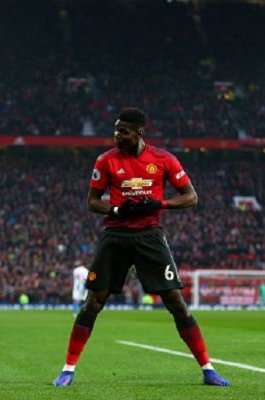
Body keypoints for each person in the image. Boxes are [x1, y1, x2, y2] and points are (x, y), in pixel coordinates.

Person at [52, 107, 229, 387]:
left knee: (176, 303)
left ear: (139, 133)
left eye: (123, 131)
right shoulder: (105, 161)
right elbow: (92, 202)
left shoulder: (163, 159)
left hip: (149, 236)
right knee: (93, 302)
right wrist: (119, 210)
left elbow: (191, 197)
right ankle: (67, 369)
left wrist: (159, 204)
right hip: (115, 236)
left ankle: (208, 369)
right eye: (115, 130)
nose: (116, 136)